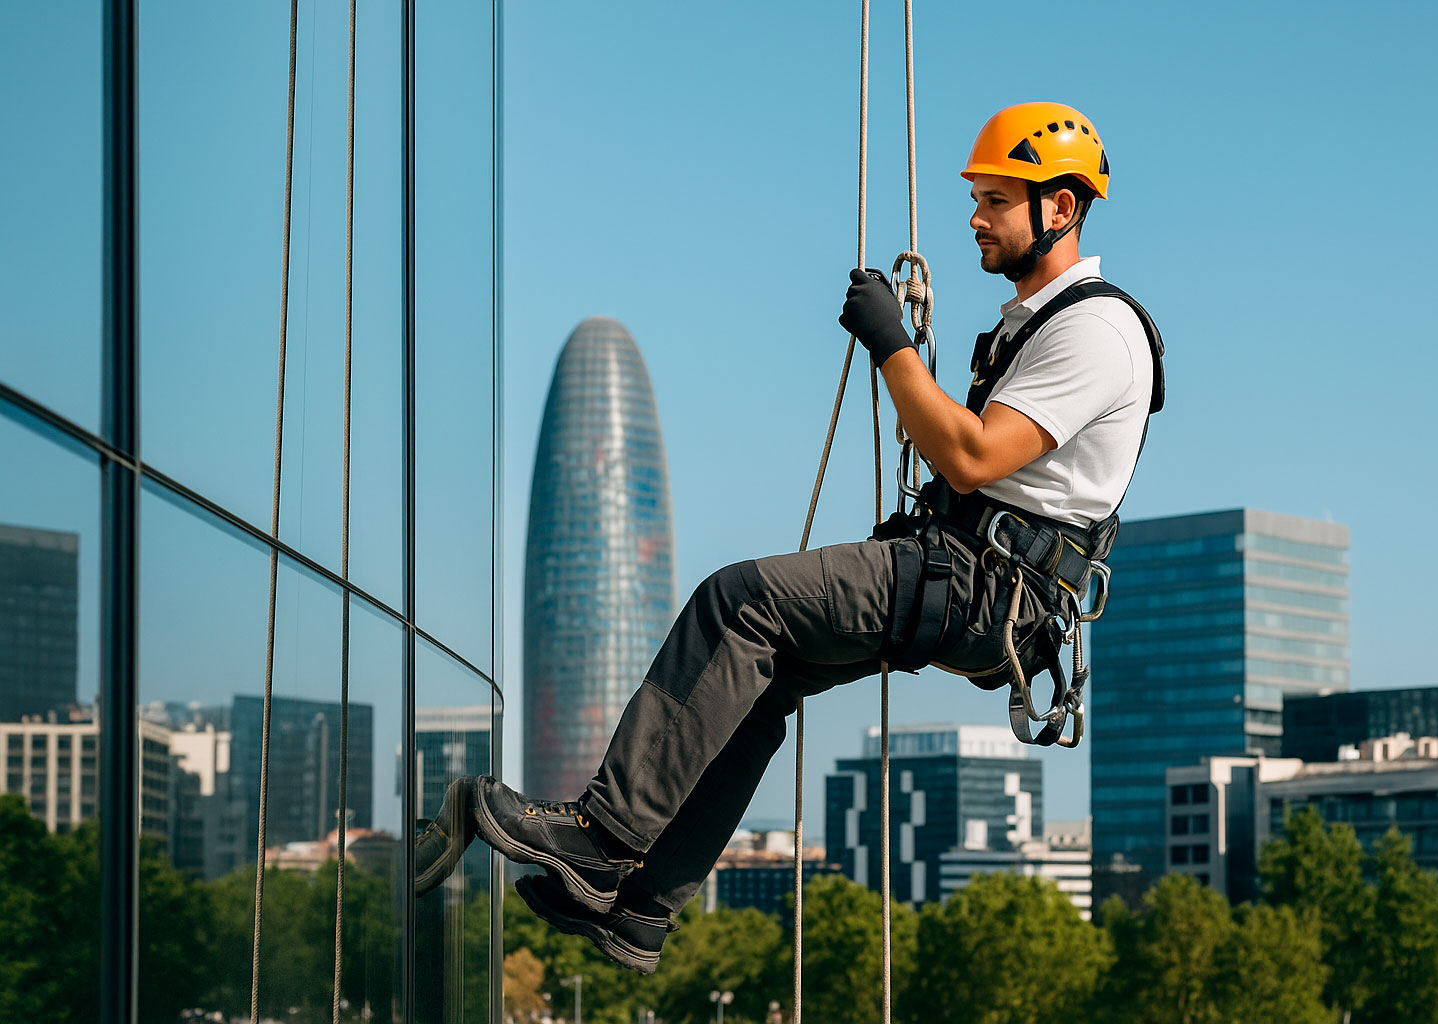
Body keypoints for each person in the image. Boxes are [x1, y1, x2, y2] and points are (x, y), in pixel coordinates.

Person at [414, 101, 1162, 974]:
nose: (975, 218)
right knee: (756, 682)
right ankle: (641, 906)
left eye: (995, 200)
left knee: (740, 604)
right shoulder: (1031, 324)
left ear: (1059, 209)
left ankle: (599, 838)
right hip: (971, 578)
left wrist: (892, 345)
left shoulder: (1096, 329)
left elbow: (971, 456)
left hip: (983, 586)